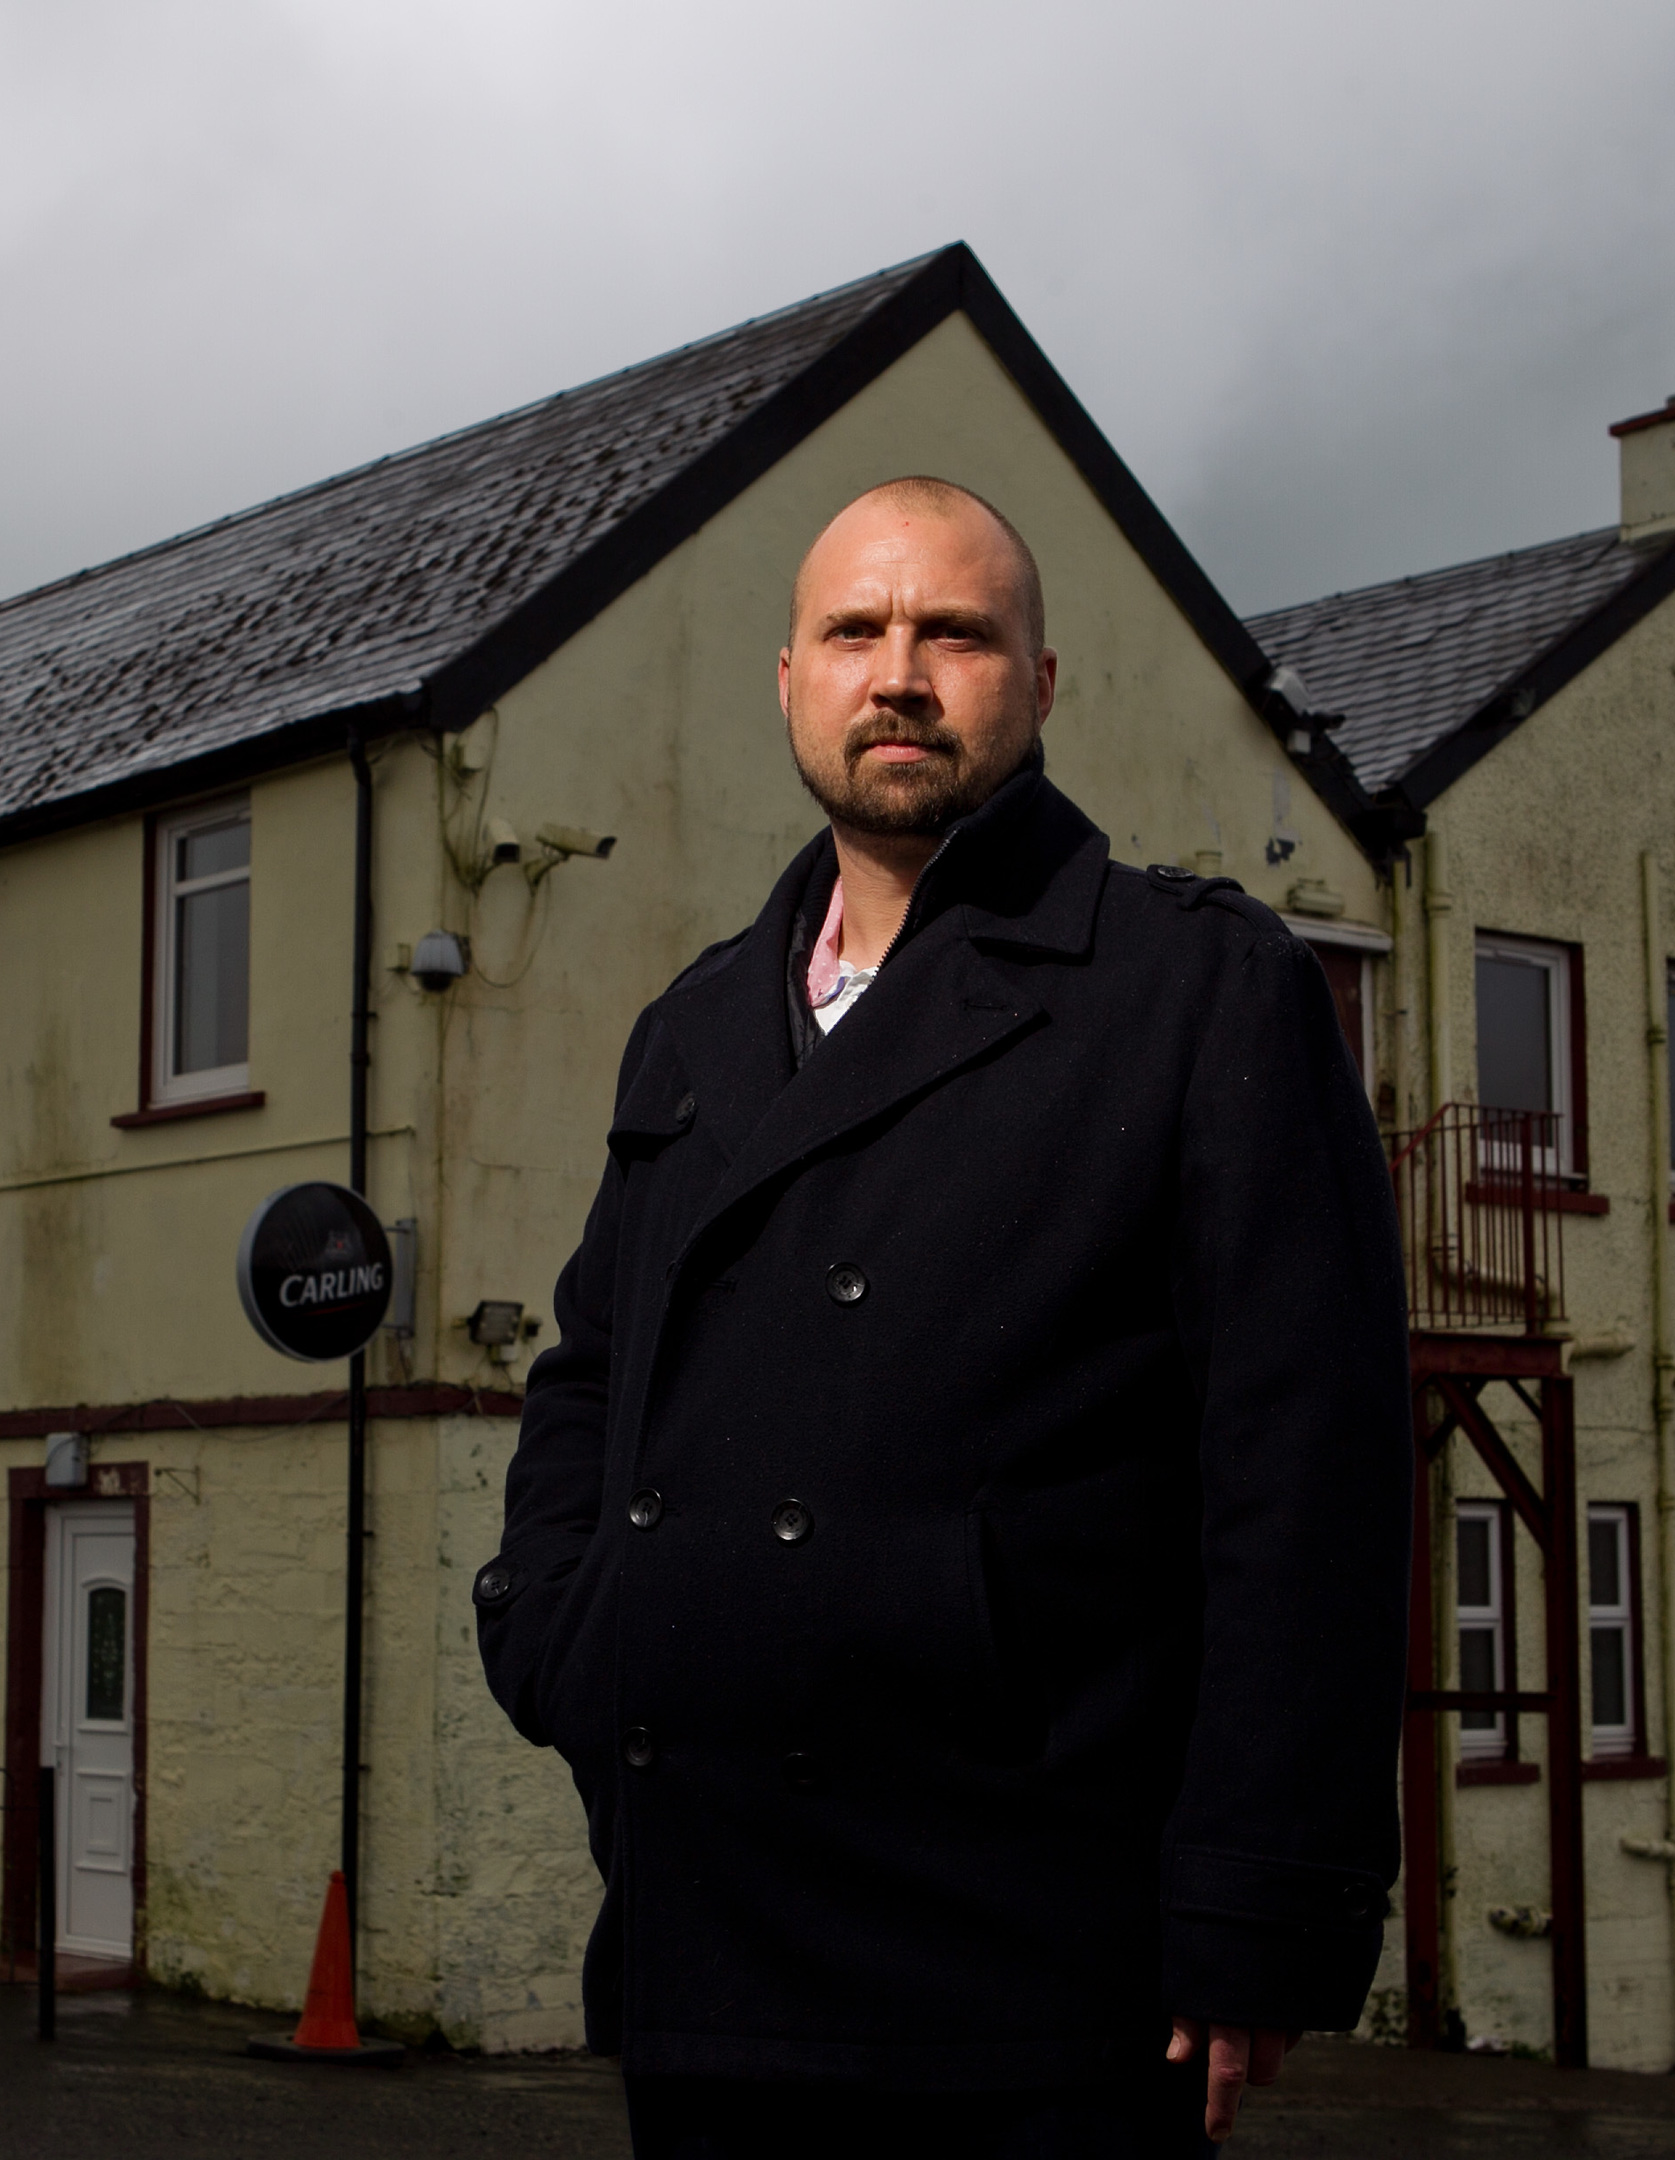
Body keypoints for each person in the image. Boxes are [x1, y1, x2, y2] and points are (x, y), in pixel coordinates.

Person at [471, 477, 1413, 2156]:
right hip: (708, 1926)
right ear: (789, 680)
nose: (898, 673)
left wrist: (1259, 1901)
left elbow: (1308, 1474)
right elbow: (592, 1377)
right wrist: (561, 1630)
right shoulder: (694, 1026)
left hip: (1027, 1954)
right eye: (855, 631)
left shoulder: (1198, 990)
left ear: (1039, 686)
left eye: (953, 633)